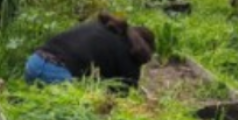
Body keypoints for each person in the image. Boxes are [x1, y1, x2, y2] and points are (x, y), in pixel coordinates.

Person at [24, 13, 156, 88]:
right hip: (55, 73)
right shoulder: (129, 55)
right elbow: (121, 96)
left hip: (33, 63)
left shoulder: (107, 28)